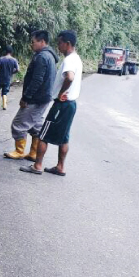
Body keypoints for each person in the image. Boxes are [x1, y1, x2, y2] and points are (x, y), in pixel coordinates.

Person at [21, 30, 82, 176]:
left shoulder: (69, 60)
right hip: (71, 104)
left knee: (43, 134)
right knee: (64, 137)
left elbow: (69, 77)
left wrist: (61, 93)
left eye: (60, 43)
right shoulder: (77, 58)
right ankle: (60, 167)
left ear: (67, 43)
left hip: (62, 104)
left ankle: (37, 165)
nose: (58, 46)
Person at [4, 30, 58, 161]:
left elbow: (37, 80)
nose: (31, 45)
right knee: (35, 125)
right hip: (44, 97)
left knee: (18, 124)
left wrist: (26, 97)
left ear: (42, 41)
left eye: (33, 42)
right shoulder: (49, 56)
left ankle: (19, 151)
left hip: (36, 98)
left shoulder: (42, 57)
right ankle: (34, 153)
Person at [0, 46, 19, 110]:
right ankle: (4, 105)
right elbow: (18, 69)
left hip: (0, 77)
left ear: (5, 51)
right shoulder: (14, 60)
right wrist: (12, 72)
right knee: (5, 92)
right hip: (8, 78)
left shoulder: (1, 59)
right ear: (12, 52)